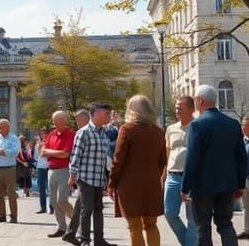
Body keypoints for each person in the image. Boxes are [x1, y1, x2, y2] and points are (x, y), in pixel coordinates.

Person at [181, 85, 246, 246]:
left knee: (202, 227)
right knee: (225, 223)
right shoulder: (233, 124)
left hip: (202, 186)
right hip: (228, 184)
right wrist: (241, 184)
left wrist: (185, 187)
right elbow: (241, 156)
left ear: (200, 100)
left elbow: (192, 158)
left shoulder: (197, 125)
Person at [107, 95, 166, 246]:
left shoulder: (127, 129)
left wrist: (112, 183)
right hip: (152, 184)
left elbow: (118, 159)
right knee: (151, 225)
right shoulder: (159, 132)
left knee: (134, 227)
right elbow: (162, 161)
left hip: (129, 185)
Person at [68, 103, 113, 246]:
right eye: (107, 114)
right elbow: (76, 154)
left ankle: (99, 240)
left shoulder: (104, 133)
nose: (109, 117)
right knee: (86, 210)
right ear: (97, 114)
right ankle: (85, 240)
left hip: (99, 178)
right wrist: (72, 175)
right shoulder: (83, 132)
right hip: (85, 178)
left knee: (99, 209)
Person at [162, 96, 197, 246]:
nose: (177, 110)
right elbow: (167, 153)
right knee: (169, 213)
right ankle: (188, 243)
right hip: (172, 177)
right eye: (176, 108)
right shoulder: (171, 129)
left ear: (191, 109)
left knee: (192, 219)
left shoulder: (198, 127)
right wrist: (162, 176)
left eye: (180, 108)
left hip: (191, 178)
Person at [43, 111, 75, 239]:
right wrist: (55, 152)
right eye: (53, 120)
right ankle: (61, 227)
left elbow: (65, 154)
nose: (54, 123)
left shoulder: (70, 134)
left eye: (56, 120)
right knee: (54, 202)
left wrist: (50, 152)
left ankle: (77, 222)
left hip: (64, 170)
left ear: (64, 121)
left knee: (62, 200)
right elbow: (42, 152)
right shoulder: (51, 134)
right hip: (51, 170)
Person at [0, 119, 20, 224]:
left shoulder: (14, 138)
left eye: (1, 126)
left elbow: (15, 152)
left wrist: (4, 152)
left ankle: (13, 216)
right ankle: (2, 215)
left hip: (10, 168)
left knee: (11, 193)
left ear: (7, 127)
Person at [35, 129, 51, 214]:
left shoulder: (51, 142)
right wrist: (39, 150)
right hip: (40, 167)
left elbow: (51, 154)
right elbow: (36, 157)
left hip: (49, 166)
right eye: (41, 134)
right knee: (41, 188)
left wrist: (45, 150)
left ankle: (52, 208)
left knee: (51, 188)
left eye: (45, 133)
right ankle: (43, 208)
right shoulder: (38, 144)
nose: (43, 135)